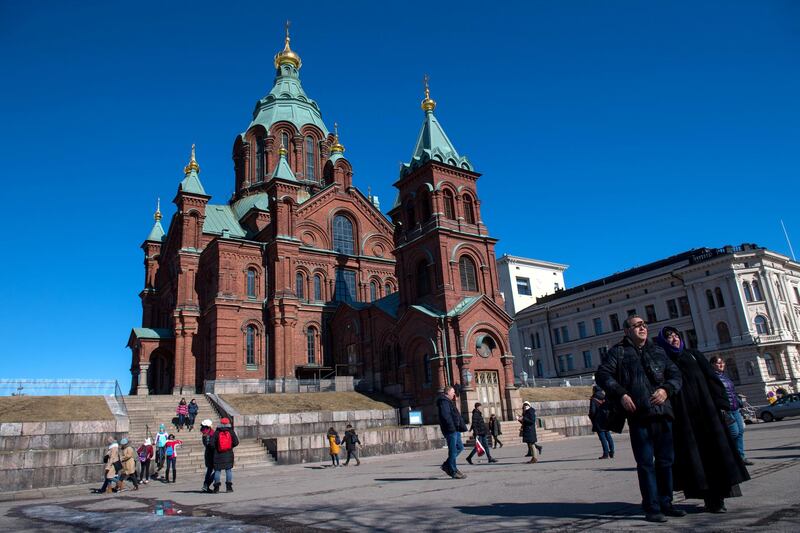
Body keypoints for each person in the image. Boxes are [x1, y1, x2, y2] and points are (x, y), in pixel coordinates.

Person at [595, 315, 683, 523]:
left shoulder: (658, 350)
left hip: (662, 413)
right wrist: (621, 394)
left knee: (666, 461)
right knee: (645, 464)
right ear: (627, 331)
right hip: (639, 415)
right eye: (637, 326)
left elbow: (675, 376)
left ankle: (666, 502)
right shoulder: (619, 352)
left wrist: (666, 390)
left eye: (644, 324)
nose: (642, 328)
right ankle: (652, 507)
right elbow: (603, 375)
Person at [656, 329, 750, 513]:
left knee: (715, 454)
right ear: (663, 342)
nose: (674, 338)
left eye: (676, 335)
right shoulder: (664, 362)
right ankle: (708, 497)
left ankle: (719, 497)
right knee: (695, 459)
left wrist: (721, 403)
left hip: (708, 413)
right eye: (669, 337)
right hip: (684, 418)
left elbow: (712, 379)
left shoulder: (694, 355)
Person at [710, 356, 753, 466]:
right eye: (719, 363)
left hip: (735, 408)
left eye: (722, 362)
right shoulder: (712, 378)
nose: (721, 365)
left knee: (740, 432)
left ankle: (741, 457)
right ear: (712, 365)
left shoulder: (725, 377)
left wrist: (739, 401)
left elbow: (732, 391)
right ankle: (730, 457)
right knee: (734, 433)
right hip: (726, 410)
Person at [437, 385, 468, 479]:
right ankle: (453, 470)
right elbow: (446, 416)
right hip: (450, 430)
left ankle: (447, 465)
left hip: (455, 429)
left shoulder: (449, 401)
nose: (454, 393)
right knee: (453, 450)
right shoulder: (443, 401)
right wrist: (452, 427)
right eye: (453, 392)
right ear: (448, 392)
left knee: (460, 447)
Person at [210, 417, 239, 493]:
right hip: (228, 454)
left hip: (218, 454)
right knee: (228, 470)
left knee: (217, 471)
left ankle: (216, 488)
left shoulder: (217, 432)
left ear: (221, 423)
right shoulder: (231, 432)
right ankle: (229, 488)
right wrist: (230, 446)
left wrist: (217, 448)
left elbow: (211, 444)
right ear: (228, 423)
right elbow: (236, 442)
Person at [589, 386, 615, 459]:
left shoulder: (593, 399)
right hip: (606, 419)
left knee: (602, 438)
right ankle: (612, 451)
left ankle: (605, 453)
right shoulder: (605, 398)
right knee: (608, 436)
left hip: (598, 421)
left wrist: (592, 417)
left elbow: (592, 411)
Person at [200, 419, 216, 492]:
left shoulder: (204, 433)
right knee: (217, 470)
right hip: (212, 454)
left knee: (209, 470)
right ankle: (206, 485)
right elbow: (211, 445)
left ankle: (206, 485)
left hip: (208, 453)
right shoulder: (210, 434)